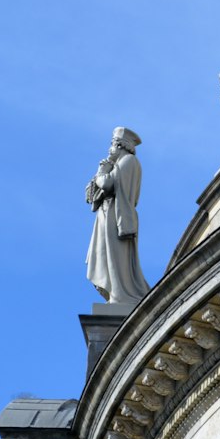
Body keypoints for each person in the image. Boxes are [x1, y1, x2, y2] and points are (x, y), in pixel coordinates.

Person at [85, 127, 150, 306]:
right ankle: (117, 293)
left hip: (117, 216)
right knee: (110, 257)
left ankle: (121, 295)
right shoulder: (119, 164)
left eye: (112, 144)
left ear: (121, 145)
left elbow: (107, 184)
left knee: (116, 258)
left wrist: (102, 172)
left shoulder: (128, 161)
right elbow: (93, 195)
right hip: (109, 214)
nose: (109, 148)